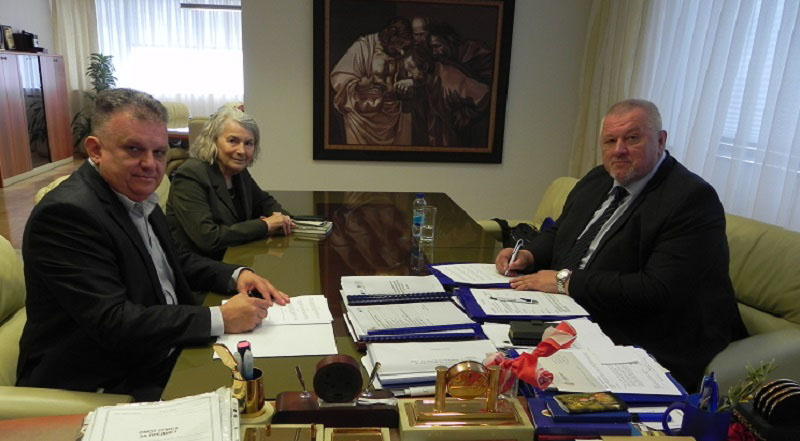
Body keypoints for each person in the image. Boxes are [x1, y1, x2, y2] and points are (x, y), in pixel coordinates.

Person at [17, 88, 289, 401]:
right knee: (254, 402)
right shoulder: (67, 215)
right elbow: (114, 322)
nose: (150, 164)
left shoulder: (136, 194)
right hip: (104, 380)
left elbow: (176, 259)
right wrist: (219, 317)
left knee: (272, 382)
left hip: (162, 349)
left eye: (159, 152)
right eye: (134, 149)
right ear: (95, 149)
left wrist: (236, 274)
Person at [495, 99, 745, 391]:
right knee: (493, 353)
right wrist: (529, 254)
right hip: (570, 308)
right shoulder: (598, 178)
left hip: (643, 331)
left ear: (660, 141)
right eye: (610, 141)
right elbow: (563, 232)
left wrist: (565, 281)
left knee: (530, 384)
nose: (619, 150)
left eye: (632, 138)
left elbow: (656, 290)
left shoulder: (691, 200)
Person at [166, 107, 293, 261]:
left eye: (249, 143)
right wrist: (265, 225)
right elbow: (209, 238)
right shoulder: (190, 175)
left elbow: (264, 202)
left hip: (236, 258)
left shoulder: (238, 172)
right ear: (212, 141)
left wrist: (284, 219)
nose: (242, 151)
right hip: (200, 267)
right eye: (233, 141)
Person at [330, 17, 413, 145]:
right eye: (399, 43)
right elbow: (339, 76)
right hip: (364, 118)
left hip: (393, 114)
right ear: (390, 35)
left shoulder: (400, 53)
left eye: (404, 45)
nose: (401, 50)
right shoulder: (363, 47)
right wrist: (361, 86)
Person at [401, 45, 490, 147]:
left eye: (411, 69)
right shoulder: (429, 73)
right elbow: (425, 79)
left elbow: (485, 94)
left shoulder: (452, 81)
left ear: (425, 66)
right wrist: (413, 82)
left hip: (452, 140)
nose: (408, 75)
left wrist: (466, 114)